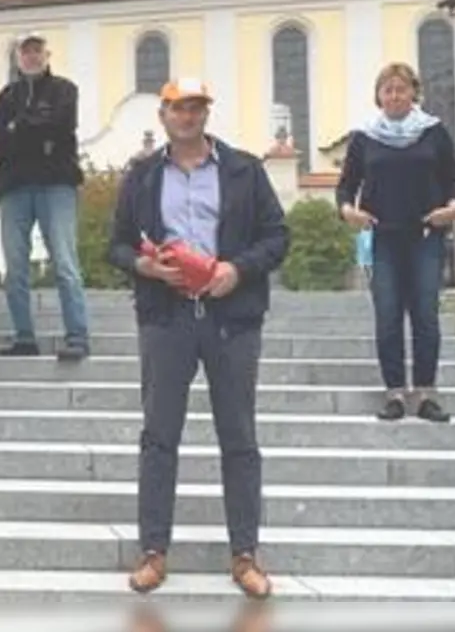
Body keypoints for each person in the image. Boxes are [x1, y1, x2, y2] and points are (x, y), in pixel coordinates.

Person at [107, 79, 289, 600]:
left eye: (197, 108)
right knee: (159, 436)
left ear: (207, 114)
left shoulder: (244, 169)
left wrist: (238, 268)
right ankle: (153, 552)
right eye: (179, 108)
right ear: (163, 115)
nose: (188, 116)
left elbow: (277, 236)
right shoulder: (142, 175)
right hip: (167, 318)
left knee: (239, 438)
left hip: (230, 317)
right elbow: (116, 244)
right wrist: (144, 265)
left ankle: (245, 554)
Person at [334, 62, 455, 423]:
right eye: (387, 90)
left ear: (413, 94)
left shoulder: (434, 132)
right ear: (378, 96)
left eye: (401, 89)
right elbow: (346, 185)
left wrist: (452, 208)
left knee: (425, 314)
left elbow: (454, 180)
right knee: (387, 315)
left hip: (425, 235)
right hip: (383, 237)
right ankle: (393, 392)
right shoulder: (364, 137)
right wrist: (348, 211)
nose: (394, 96)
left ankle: (425, 393)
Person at [0, 31, 89, 361]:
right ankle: (24, 337)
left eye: (37, 51)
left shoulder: (64, 90)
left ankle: (77, 336)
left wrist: (21, 128)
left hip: (56, 182)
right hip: (15, 186)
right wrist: (35, 131)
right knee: (15, 266)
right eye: (25, 52)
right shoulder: (4, 98)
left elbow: (62, 126)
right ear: (18, 57)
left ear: (47, 55)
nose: (31, 57)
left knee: (64, 262)